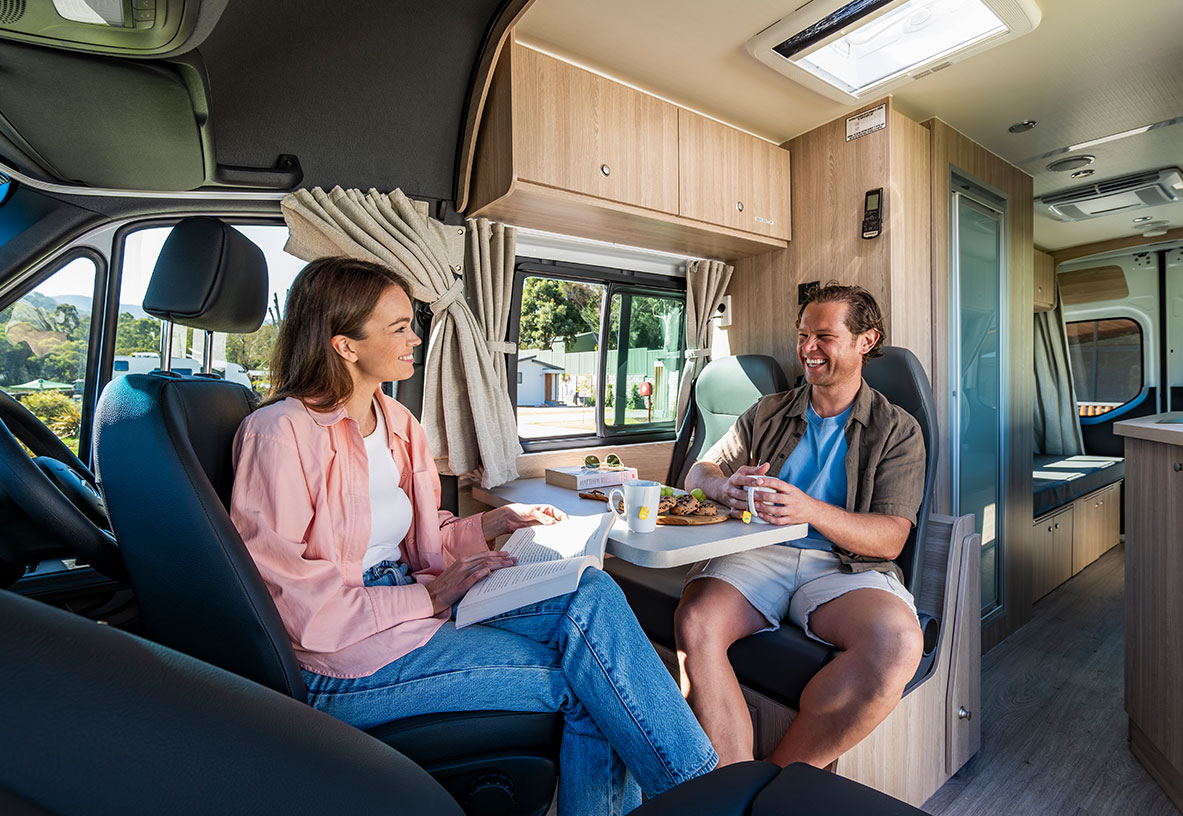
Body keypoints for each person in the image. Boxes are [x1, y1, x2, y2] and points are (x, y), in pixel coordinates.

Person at [229, 257, 716, 816]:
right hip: (343, 657)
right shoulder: (279, 432)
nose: (415, 337)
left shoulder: (397, 423)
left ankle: (698, 790)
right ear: (345, 346)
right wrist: (430, 596)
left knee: (594, 593)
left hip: (415, 605)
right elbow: (287, 599)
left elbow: (411, 536)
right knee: (595, 685)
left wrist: (491, 525)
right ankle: (702, 799)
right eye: (399, 328)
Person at [674, 282, 925, 770]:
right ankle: (732, 780)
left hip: (844, 568)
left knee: (897, 644)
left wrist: (810, 510)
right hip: (757, 554)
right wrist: (722, 489)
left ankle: (776, 781)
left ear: (865, 342)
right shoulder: (766, 412)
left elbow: (892, 536)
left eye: (824, 337)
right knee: (695, 620)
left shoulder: (898, 429)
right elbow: (700, 470)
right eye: (803, 335)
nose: (807, 349)